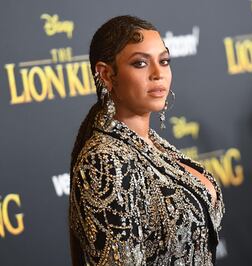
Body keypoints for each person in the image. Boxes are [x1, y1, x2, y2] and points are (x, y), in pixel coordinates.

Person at [69, 15, 225, 266]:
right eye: (141, 63)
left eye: (164, 61)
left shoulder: (153, 145)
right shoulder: (103, 162)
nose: (158, 74)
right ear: (106, 75)